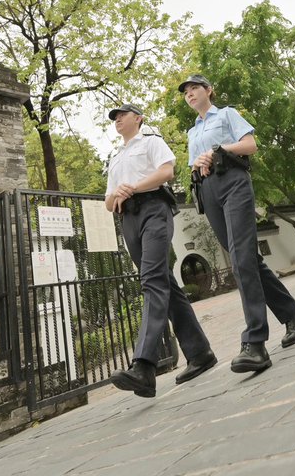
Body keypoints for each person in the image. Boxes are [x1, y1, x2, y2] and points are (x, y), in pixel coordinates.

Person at [179, 75, 295, 374]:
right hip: (207, 190)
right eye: (186, 92)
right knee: (246, 258)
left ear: (208, 90)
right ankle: (293, 314)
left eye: (195, 88)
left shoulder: (226, 114)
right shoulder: (192, 131)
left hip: (233, 182)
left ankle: (255, 342)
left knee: (240, 260)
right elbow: (194, 163)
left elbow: (250, 145)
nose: (190, 94)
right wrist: (199, 162)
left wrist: (219, 150)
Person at [104, 102, 217, 398]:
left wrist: (133, 188)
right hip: (128, 219)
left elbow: (166, 172)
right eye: (114, 118)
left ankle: (143, 365)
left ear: (138, 119)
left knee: (152, 280)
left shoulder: (152, 142)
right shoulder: (115, 159)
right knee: (164, 283)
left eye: (122, 115)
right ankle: (200, 353)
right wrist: (118, 193)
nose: (117, 120)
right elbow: (107, 200)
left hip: (154, 209)